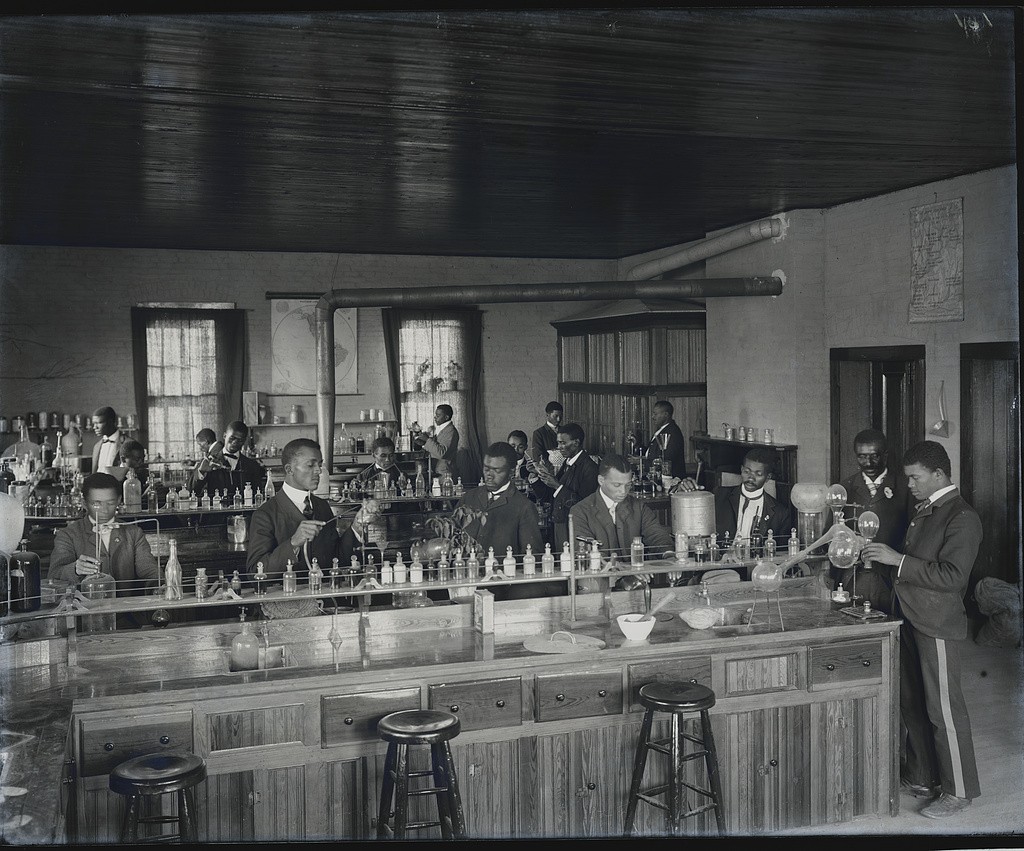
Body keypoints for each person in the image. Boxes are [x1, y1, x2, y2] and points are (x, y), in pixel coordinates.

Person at [861, 440, 982, 819]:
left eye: (915, 477)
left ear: (938, 474)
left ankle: (959, 791)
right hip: (910, 617)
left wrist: (897, 559)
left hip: (937, 623)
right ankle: (923, 777)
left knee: (944, 710)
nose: (909, 484)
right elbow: (912, 566)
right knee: (912, 704)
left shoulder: (962, 517)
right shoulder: (926, 509)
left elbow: (951, 576)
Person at [246, 438, 371, 582]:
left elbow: (337, 558)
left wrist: (357, 526)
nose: (319, 471)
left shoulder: (322, 506)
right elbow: (254, 572)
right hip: (288, 602)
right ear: (289, 469)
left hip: (325, 599)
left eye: (320, 464)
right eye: (311, 465)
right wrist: (293, 543)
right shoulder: (265, 514)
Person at [834, 428, 912, 613]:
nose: (868, 462)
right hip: (853, 576)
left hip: (891, 577)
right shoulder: (845, 487)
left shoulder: (906, 486)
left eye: (874, 456)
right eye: (861, 457)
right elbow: (833, 532)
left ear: (885, 455)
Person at [49, 472, 159, 596]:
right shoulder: (68, 535)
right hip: (85, 611)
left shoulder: (133, 533)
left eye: (110, 503)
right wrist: (75, 569)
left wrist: (158, 586)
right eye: (97, 503)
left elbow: (149, 571)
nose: (104, 510)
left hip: (126, 611)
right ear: (84, 503)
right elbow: (54, 575)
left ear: (119, 500)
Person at [674, 445, 792, 549]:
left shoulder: (780, 513)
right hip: (720, 564)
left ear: (768, 477)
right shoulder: (719, 495)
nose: (751, 478)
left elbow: (781, 554)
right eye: (747, 471)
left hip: (756, 568)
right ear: (741, 470)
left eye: (758, 474)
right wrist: (684, 487)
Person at [569, 454, 674, 560]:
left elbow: (656, 534)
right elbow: (584, 550)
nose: (623, 491)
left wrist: (668, 554)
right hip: (601, 574)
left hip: (636, 574)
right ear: (601, 480)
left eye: (628, 485)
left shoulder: (638, 507)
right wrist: (614, 568)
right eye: (617, 485)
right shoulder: (580, 512)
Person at [530, 422, 599, 549]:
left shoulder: (590, 468)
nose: (559, 447)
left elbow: (585, 506)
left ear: (576, 443)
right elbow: (551, 496)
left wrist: (557, 486)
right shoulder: (568, 462)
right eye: (558, 443)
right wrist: (537, 477)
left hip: (575, 527)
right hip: (561, 523)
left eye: (563, 443)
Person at [189, 421, 267, 499]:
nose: (235, 442)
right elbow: (191, 492)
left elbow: (257, 496)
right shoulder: (209, 462)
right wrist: (201, 473)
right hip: (217, 510)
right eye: (232, 438)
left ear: (244, 441)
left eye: (240, 440)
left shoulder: (252, 466)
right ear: (224, 435)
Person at [631, 400, 686, 480]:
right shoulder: (663, 430)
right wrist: (637, 445)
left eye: (655, 414)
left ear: (666, 415)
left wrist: (640, 462)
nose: (653, 417)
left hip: (670, 481)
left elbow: (665, 460)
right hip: (657, 477)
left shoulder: (672, 433)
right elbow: (651, 453)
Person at [415, 405, 459, 480]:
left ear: (446, 417)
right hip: (438, 472)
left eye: (438, 415)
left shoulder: (451, 432)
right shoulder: (443, 430)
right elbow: (436, 447)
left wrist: (427, 440)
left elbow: (441, 453)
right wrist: (423, 443)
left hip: (445, 475)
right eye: (435, 415)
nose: (435, 417)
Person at [90, 406, 124, 473]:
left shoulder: (127, 443)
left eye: (99, 423)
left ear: (110, 422)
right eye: (94, 423)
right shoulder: (96, 446)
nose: (94, 427)